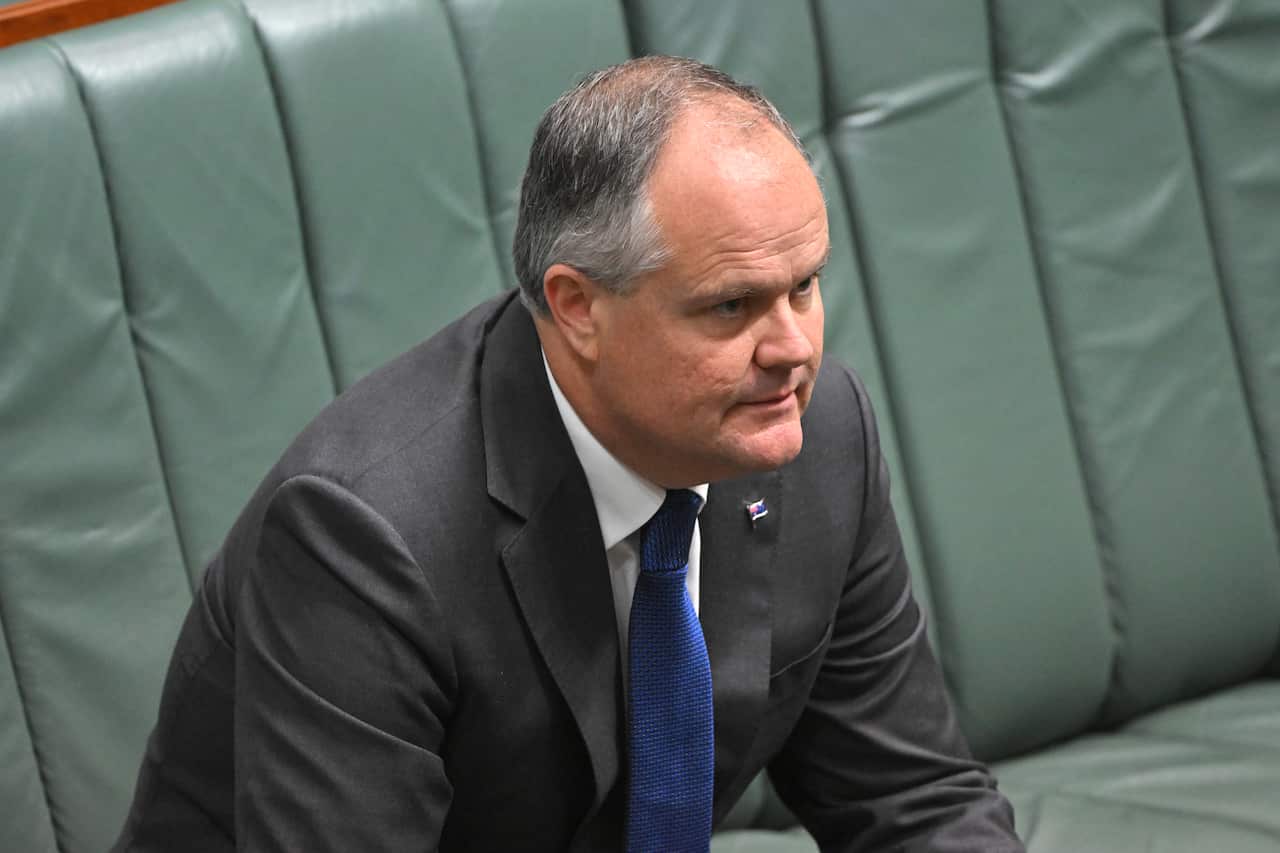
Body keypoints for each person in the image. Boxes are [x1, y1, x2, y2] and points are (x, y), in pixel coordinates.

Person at [112, 56, 1023, 852]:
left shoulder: (816, 438)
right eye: (731, 306)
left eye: (805, 286)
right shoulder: (363, 537)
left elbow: (916, 802)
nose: (794, 348)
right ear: (578, 307)